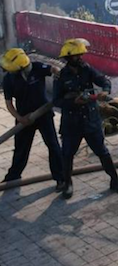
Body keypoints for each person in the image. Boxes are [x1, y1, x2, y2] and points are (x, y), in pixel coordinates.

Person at [53, 39, 118, 199]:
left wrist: (106, 89)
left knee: (103, 152)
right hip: (71, 123)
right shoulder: (61, 77)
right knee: (67, 155)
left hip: (90, 120)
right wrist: (74, 102)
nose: (80, 57)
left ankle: (115, 181)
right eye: (76, 55)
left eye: (81, 54)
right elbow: (56, 101)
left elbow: (103, 80)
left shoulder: (87, 69)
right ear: (68, 57)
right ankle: (68, 184)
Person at [1, 49, 64, 191]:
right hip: (24, 118)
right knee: (20, 149)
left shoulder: (37, 67)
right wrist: (20, 118)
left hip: (43, 114)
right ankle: (13, 177)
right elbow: (9, 103)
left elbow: (54, 69)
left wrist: (60, 75)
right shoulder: (9, 79)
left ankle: (61, 178)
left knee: (53, 146)